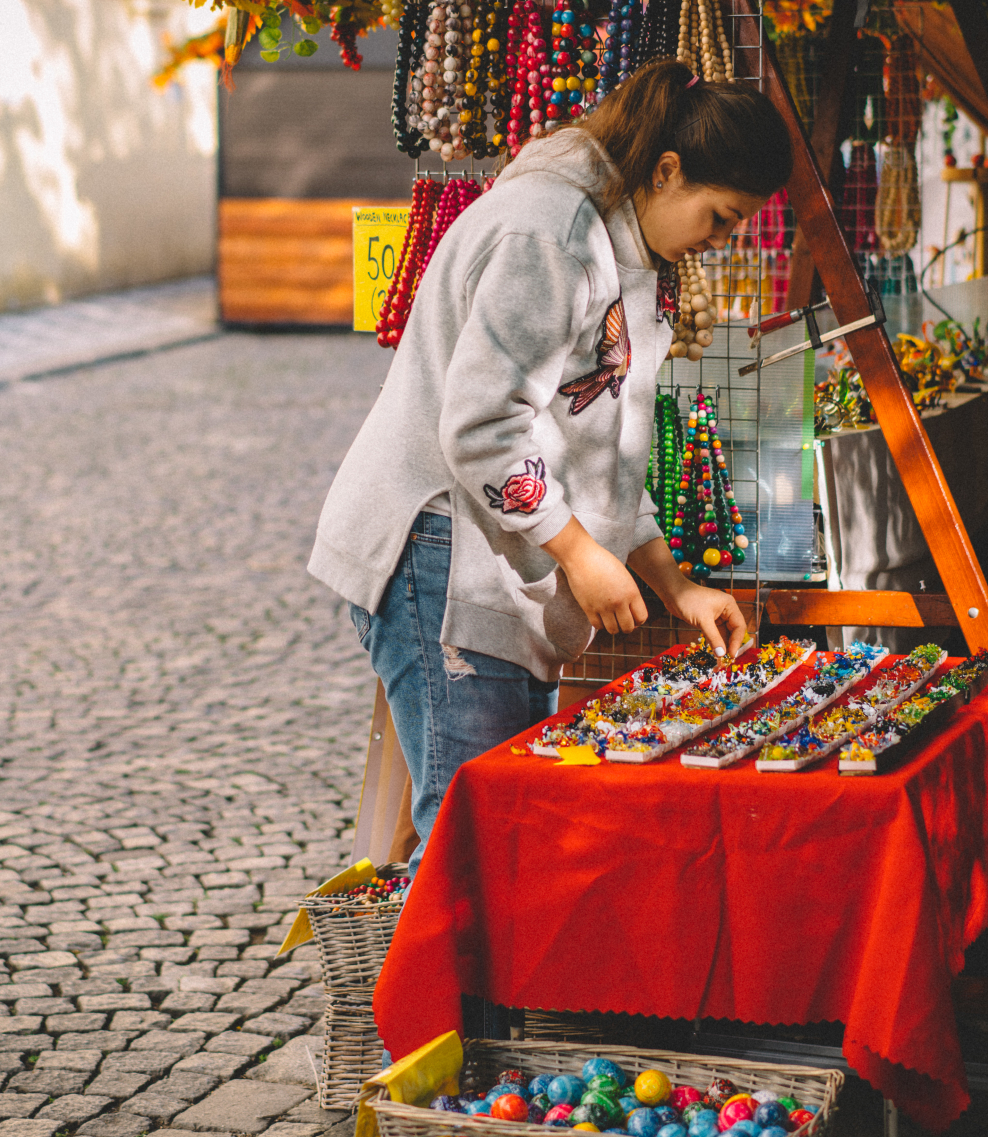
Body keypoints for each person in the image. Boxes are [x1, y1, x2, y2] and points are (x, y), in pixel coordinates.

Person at [308, 59, 796, 866]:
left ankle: (480, 997)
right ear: (667, 171)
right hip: (440, 554)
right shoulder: (552, 234)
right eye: (721, 216)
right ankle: (443, 998)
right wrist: (578, 551)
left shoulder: (630, 247)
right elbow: (480, 430)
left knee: (504, 832)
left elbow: (604, 443)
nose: (723, 239)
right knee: (477, 841)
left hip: (488, 557)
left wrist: (672, 583)